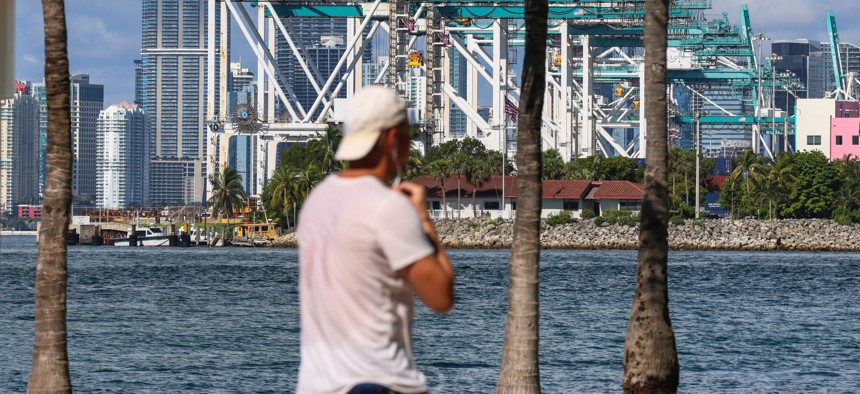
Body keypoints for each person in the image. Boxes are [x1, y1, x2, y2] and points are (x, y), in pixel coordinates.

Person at [296, 86, 455, 394]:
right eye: (410, 136)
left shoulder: (316, 202)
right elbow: (441, 297)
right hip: (376, 383)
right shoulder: (388, 206)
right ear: (394, 139)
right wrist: (423, 219)